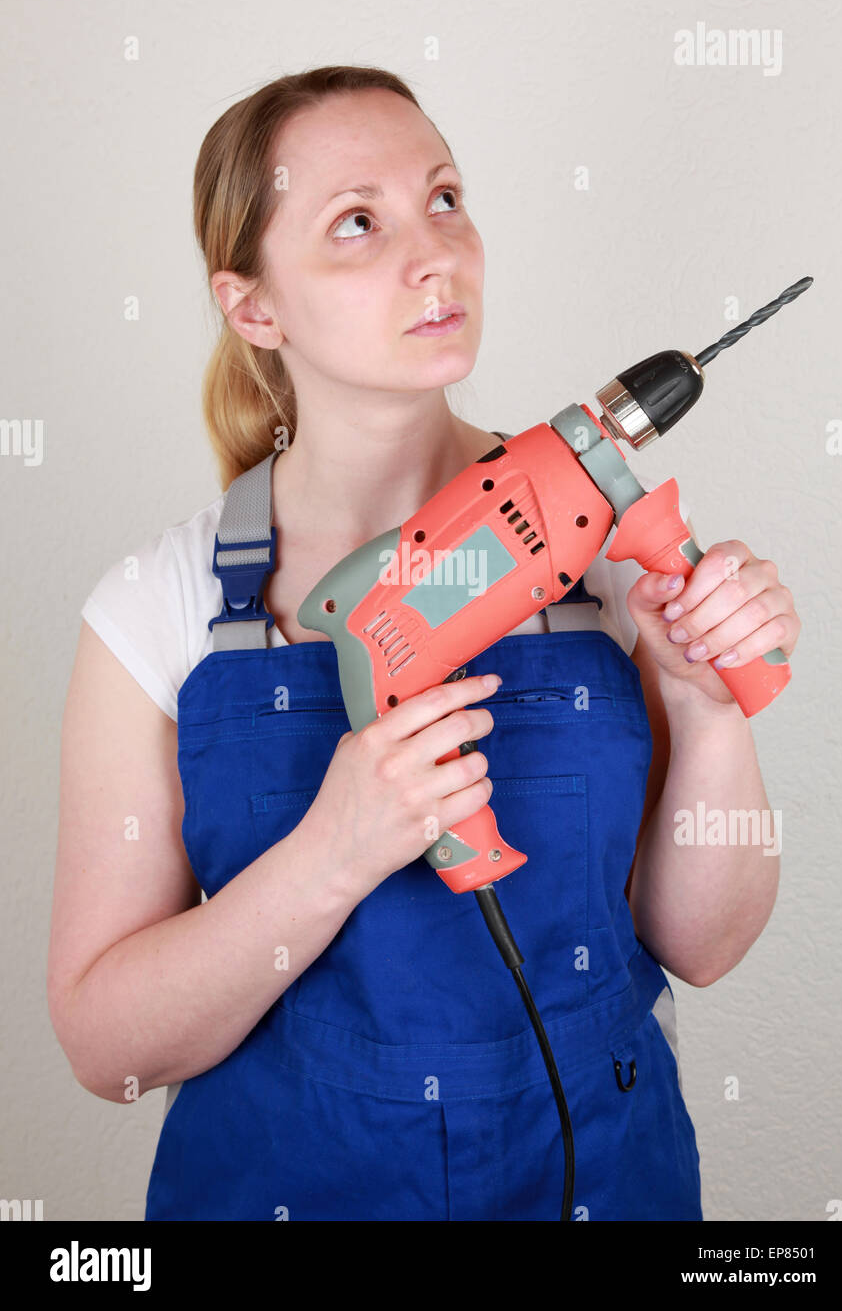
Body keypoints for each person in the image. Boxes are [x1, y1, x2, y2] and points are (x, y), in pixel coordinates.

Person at [47, 65, 801, 1222]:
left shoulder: (589, 549)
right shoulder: (157, 607)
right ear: (254, 307)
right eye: (359, 221)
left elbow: (700, 945)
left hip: (600, 1179)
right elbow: (109, 1050)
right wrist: (334, 852)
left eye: (444, 198)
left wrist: (705, 711)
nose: (432, 252)